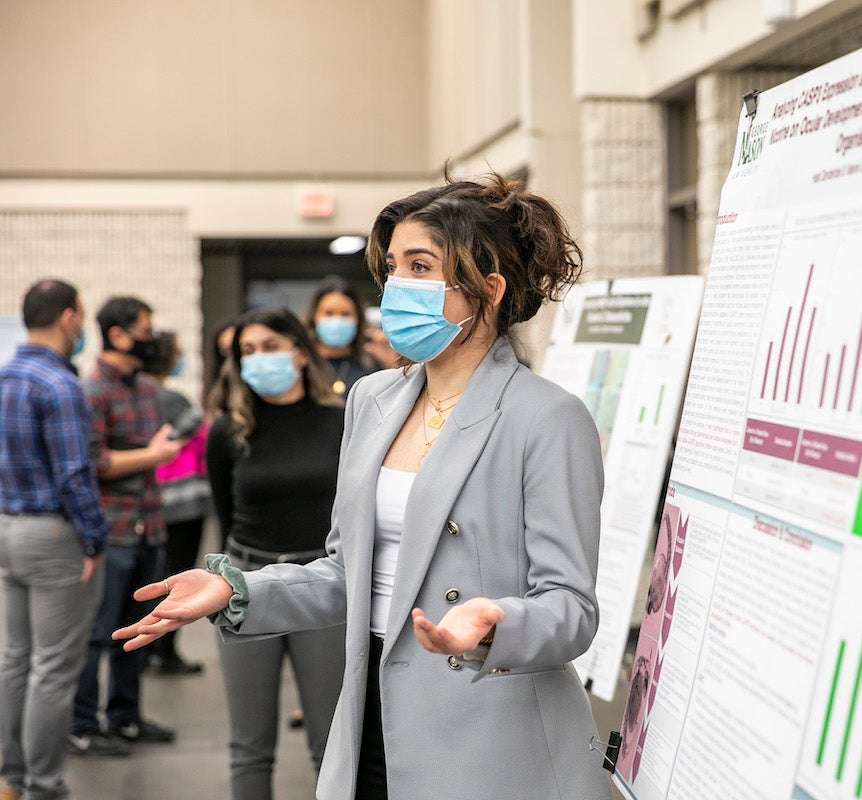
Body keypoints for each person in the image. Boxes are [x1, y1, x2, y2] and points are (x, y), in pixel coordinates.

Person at [115, 173, 612, 800]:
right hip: (374, 714)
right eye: (393, 269)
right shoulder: (373, 399)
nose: (397, 287)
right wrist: (233, 588)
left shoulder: (547, 417)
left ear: (489, 288)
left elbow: (572, 609)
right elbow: (349, 574)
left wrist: (491, 620)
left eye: (422, 266)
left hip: (489, 733)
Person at [205, 307, 346, 800]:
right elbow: (225, 515)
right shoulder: (228, 431)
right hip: (245, 580)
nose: (257, 359)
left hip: (323, 584)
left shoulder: (342, 421)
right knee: (249, 744)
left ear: (300, 353)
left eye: (269, 346)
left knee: (332, 742)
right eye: (246, 351)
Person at [0, 280, 109, 800]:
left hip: (6, 530)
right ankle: (44, 786)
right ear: (69, 319)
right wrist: (93, 539)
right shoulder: (60, 385)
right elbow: (73, 475)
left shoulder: (4, 377)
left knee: (14, 659)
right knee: (54, 667)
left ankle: (10, 779)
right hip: (51, 536)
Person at [72, 296, 183, 757]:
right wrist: (153, 457)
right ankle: (82, 725)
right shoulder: (93, 389)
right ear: (118, 334)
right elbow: (93, 462)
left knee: (137, 627)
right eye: (144, 329)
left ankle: (126, 718)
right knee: (97, 633)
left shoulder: (144, 387)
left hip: (148, 527)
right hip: (112, 530)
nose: (151, 339)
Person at [143, 331, 209, 676]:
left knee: (150, 576)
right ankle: (165, 650)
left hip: (149, 504)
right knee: (176, 578)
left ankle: (145, 649)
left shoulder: (135, 397)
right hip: (183, 505)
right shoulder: (174, 400)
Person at [304, 276, 380, 396]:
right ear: (314, 316)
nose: (336, 320)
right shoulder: (302, 364)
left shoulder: (372, 365)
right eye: (328, 313)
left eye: (345, 314)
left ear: (358, 318)